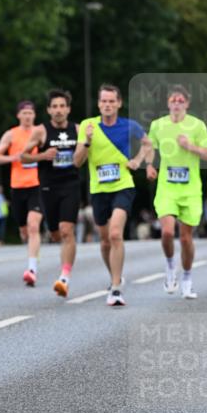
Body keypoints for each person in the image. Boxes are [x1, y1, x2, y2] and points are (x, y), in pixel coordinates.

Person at [75, 84, 151, 306]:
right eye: (103, 101)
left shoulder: (129, 126)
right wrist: (87, 141)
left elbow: (148, 144)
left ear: (119, 103)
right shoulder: (88, 126)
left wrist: (137, 161)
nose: (107, 105)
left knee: (116, 233)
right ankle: (114, 277)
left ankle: (116, 289)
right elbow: (77, 161)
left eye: (111, 101)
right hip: (99, 189)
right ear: (99, 104)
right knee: (105, 240)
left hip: (123, 185)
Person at [145, 84, 207, 300]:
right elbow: (149, 147)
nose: (177, 103)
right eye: (173, 100)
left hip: (191, 190)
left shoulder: (197, 126)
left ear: (187, 103)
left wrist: (191, 147)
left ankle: (187, 278)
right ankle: (170, 267)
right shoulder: (158, 125)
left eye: (180, 100)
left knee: (186, 239)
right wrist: (149, 165)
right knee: (167, 232)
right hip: (167, 188)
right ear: (168, 103)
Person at [19, 89, 80, 297]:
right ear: (48, 110)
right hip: (48, 187)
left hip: (71, 185)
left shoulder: (78, 130)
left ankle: (64, 278)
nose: (58, 110)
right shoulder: (40, 131)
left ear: (69, 109)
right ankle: (60, 262)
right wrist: (43, 155)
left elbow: (90, 154)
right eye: (54, 106)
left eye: (62, 106)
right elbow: (23, 156)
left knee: (66, 230)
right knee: (55, 233)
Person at [0, 100, 43, 286]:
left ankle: (31, 269)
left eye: (31, 113)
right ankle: (30, 247)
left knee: (33, 226)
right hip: (18, 187)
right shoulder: (11, 134)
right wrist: (15, 157)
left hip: (37, 185)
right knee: (24, 230)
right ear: (18, 115)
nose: (28, 116)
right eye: (24, 113)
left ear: (35, 116)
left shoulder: (40, 132)